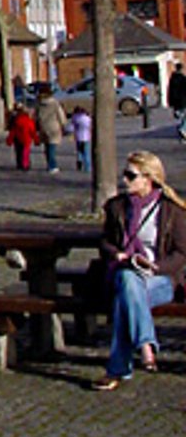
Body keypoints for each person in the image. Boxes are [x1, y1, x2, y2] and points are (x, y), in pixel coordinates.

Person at [93, 150, 186, 390]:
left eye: (131, 175)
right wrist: (117, 254)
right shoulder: (117, 207)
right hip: (123, 271)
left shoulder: (172, 211)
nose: (125, 180)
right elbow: (105, 241)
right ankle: (146, 344)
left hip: (160, 279)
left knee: (126, 298)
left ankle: (118, 369)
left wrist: (156, 267)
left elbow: (181, 253)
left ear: (149, 178)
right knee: (127, 280)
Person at [35, 90, 67, 174]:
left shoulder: (39, 104)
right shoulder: (55, 104)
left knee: (47, 148)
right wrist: (63, 124)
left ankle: (49, 164)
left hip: (44, 127)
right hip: (54, 127)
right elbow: (60, 115)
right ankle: (53, 166)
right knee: (52, 147)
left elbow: (36, 116)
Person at [7, 103, 38, 171]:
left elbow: (13, 132)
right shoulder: (29, 121)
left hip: (17, 139)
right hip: (26, 139)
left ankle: (19, 163)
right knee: (26, 152)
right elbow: (33, 131)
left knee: (18, 152)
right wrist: (36, 140)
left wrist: (9, 140)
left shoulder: (16, 121)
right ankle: (25, 164)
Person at [69, 106, 93, 174]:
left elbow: (72, 127)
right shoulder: (88, 118)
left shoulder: (75, 117)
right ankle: (88, 167)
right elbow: (90, 127)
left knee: (79, 151)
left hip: (78, 137)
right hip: (86, 137)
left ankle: (79, 164)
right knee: (86, 152)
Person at [168, 62, 186, 138]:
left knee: (182, 116)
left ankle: (182, 128)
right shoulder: (183, 79)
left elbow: (169, 91)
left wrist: (170, 102)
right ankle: (183, 129)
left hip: (175, 102)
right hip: (183, 101)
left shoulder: (172, 79)